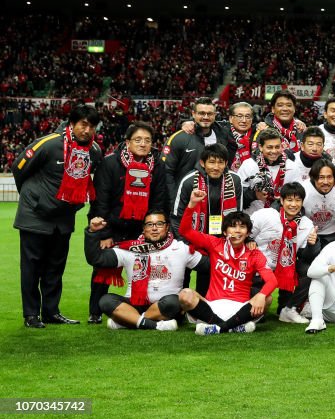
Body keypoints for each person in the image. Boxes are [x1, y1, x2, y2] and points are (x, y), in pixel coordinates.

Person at [15, 104, 104, 328]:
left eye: (92, 126)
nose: (87, 130)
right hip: (35, 217)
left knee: (55, 267)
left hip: (63, 219)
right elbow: (19, 167)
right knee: (31, 268)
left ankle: (51, 312)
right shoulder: (49, 143)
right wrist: (34, 199)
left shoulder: (93, 151)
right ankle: (31, 315)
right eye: (83, 124)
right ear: (72, 123)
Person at [88, 121, 170, 324]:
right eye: (138, 139)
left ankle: (139, 307)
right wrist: (105, 234)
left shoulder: (158, 166)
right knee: (103, 270)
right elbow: (100, 201)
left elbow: (159, 200)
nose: (143, 144)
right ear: (127, 142)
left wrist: (151, 230)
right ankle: (95, 311)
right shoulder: (110, 163)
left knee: (143, 270)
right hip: (112, 227)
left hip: (141, 229)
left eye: (147, 140)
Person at [178, 192, 278, 335]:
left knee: (267, 297)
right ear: (225, 231)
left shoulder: (254, 254)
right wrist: (192, 204)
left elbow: (272, 281)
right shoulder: (215, 244)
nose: (237, 230)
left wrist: (261, 295)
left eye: (242, 227)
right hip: (212, 307)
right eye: (233, 227)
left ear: (248, 232)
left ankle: (216, 328)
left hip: (241, 307)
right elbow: (185, 231)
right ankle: (232, 326)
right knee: (184, 295)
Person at [83, 209, 198, 331]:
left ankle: (127, 321)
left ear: (167, 227)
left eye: (159, 224)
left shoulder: (180, 248)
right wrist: (93, 232)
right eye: (149, 224)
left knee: (174, 301)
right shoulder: (130, 248)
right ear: (144, 228)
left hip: (164, 305)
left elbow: (207, 266)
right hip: (134, 305)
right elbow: (96, 259)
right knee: (106, 301)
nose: (154, 228)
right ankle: (154, 325)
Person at [170, 144, 243, 296]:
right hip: (191, 238)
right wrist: (184, 244)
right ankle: (179, 309)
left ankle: (203, 306)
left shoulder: (235, 180)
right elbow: (176, 216)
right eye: (212, 162)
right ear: (203, 163)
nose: (216, 167)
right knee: (182, 279)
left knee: (209, 280)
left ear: (226, 163)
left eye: (220, 162)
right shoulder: (189, 181)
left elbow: (238, 215)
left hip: (219, 240)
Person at [249, 182, 319, 324]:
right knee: (256, 312)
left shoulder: (306, 224)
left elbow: (305, 256)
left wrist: (312, 245)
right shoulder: (265, 214)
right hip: (260, 267)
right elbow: (246, 233)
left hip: (286, 266)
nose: (293, 204)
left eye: (298, 200)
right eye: (289, 200)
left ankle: (289, 309)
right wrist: (249, 241)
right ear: (281, 201)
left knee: (309, 270)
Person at [162, 97, 238, 204]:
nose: (205, 117)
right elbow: (166, 172)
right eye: (201, 113)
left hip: (214, 201)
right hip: (185, 200)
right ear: (193, 114)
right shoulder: (179, 138)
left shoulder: (223, 136)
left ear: (215, 115)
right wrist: (175, 200)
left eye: (209, 114)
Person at [236, 128, 288, 215]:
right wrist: (254, 195)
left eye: (277, 147)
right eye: (269, 147)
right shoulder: (249, 165)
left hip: (280, 219)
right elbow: (236, 195)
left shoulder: (289, 164)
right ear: (260, 147)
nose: (274, 151)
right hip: (252, 219)